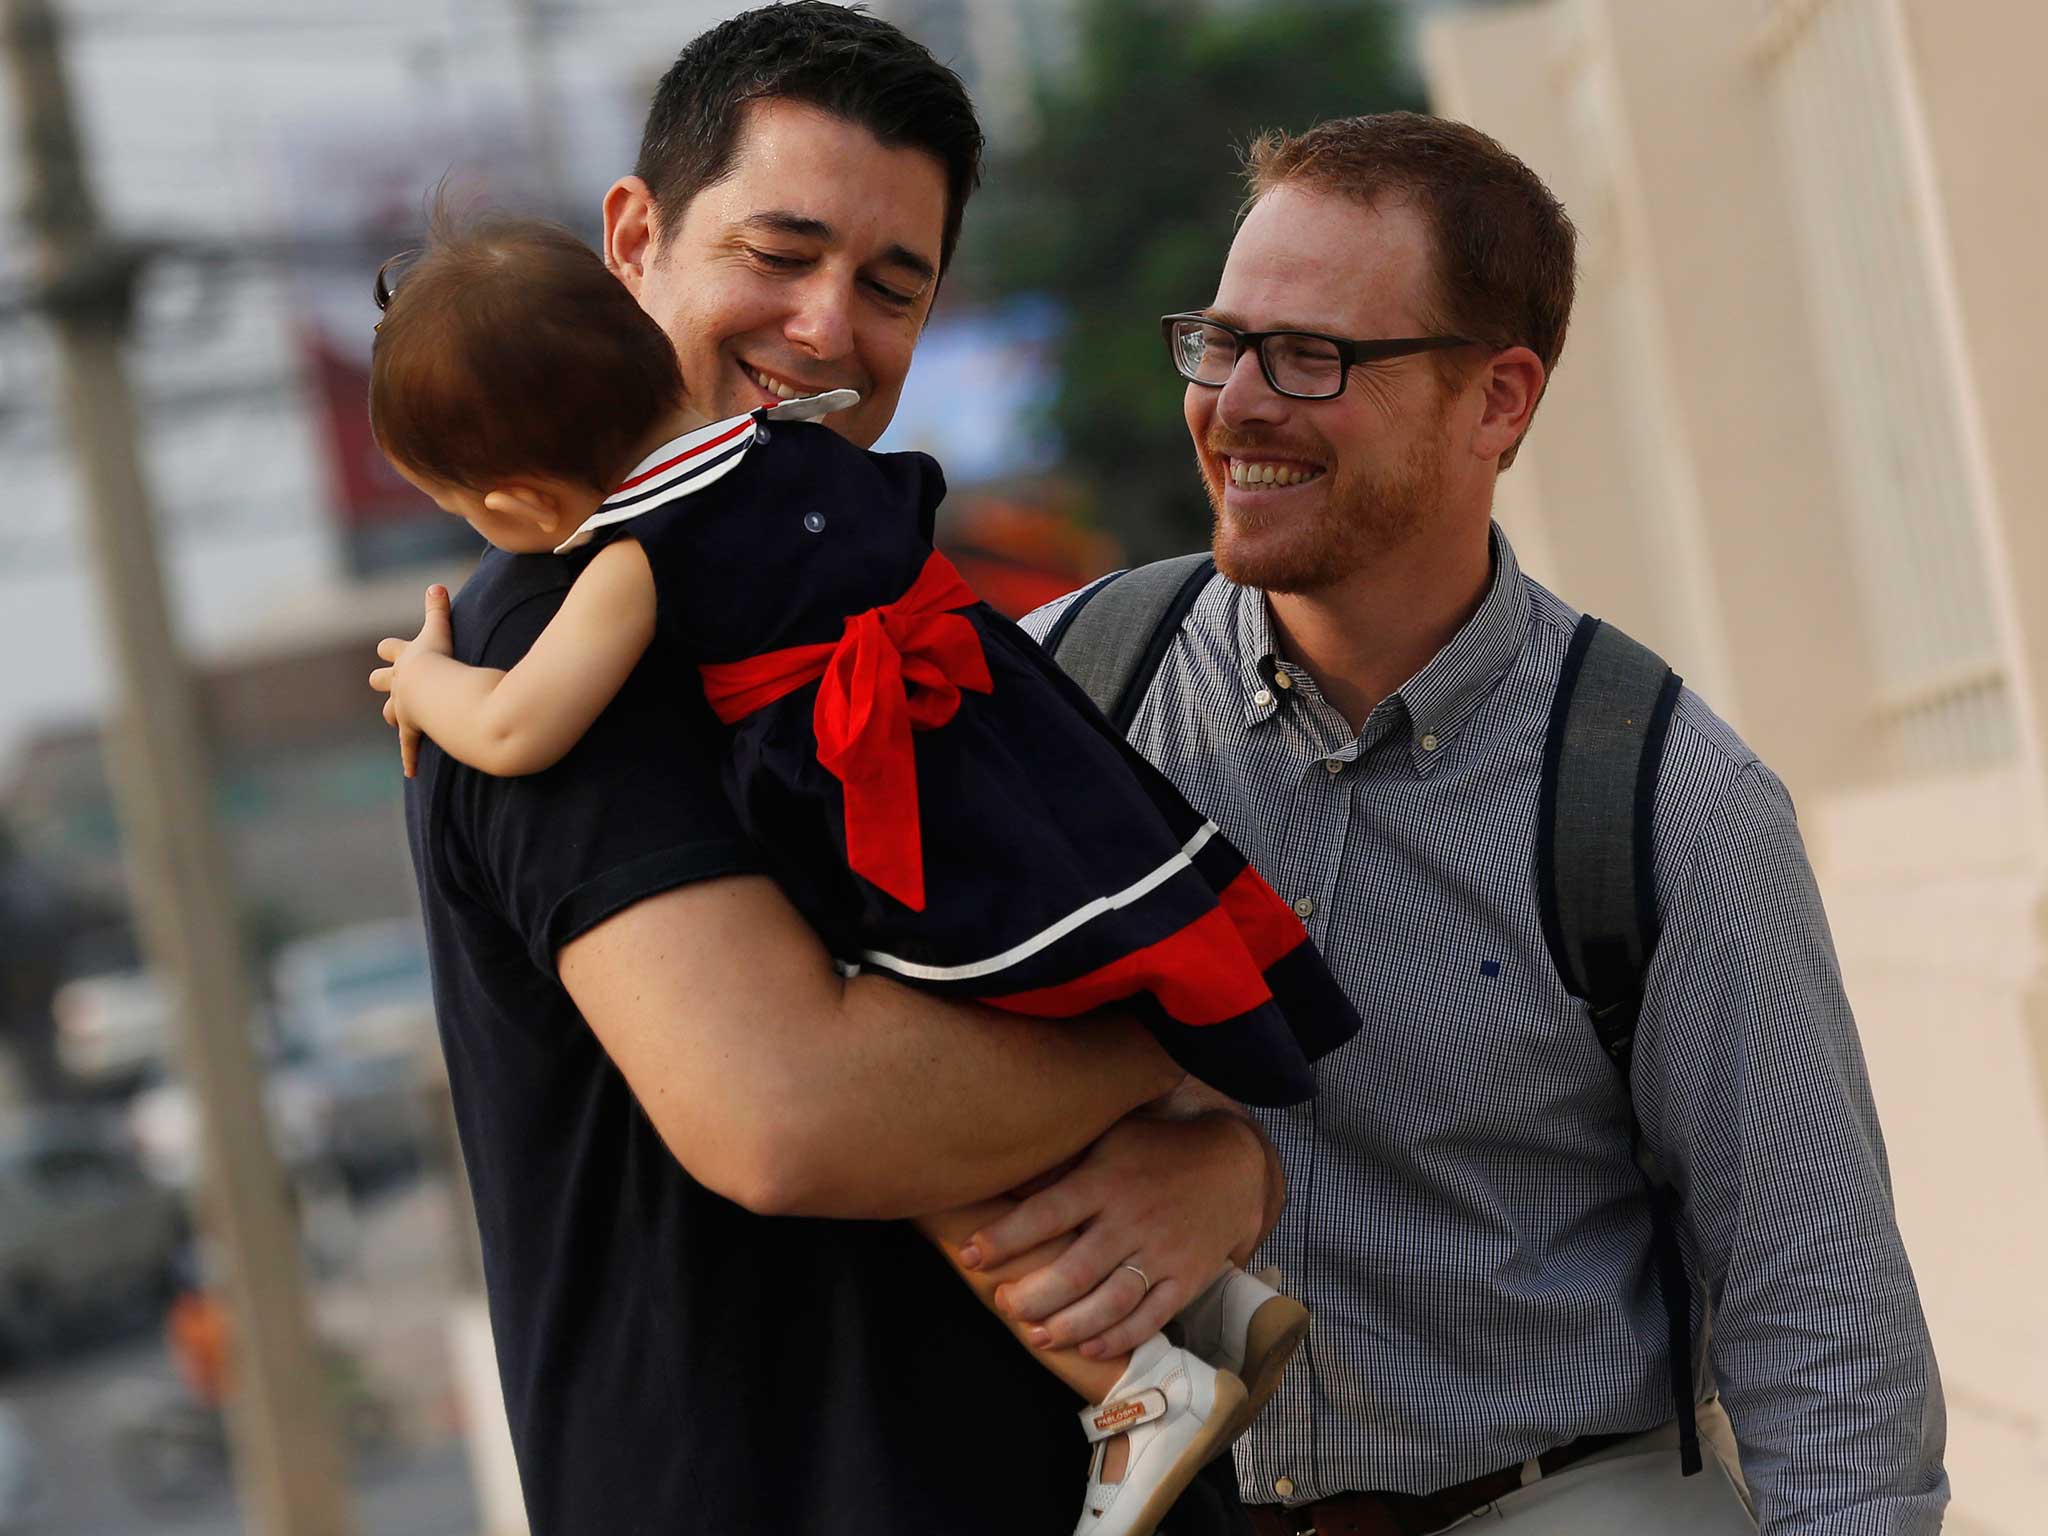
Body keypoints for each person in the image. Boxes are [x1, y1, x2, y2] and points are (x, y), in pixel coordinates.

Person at [976, 113, 1949, 1534]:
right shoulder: (1064, 698)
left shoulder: (1666, 802)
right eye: (1221, 341)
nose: (1236, 402)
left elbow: (1821, 1313)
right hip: (1152, 1496)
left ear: (1499, 400)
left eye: (1313, 357)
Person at [376, 7, 1279, 1534]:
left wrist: (1227, 1170)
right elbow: (787, 1117)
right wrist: (1187, 1032)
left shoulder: (829, 581)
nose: (822, 328)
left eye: (889, 285)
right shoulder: (562, 626)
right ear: (634, 235)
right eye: (778, 253)